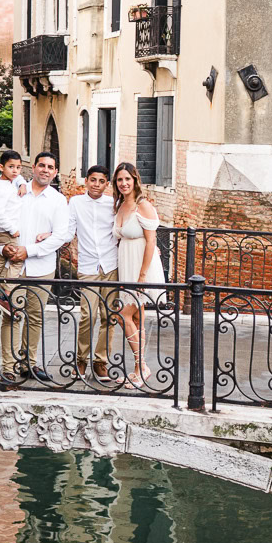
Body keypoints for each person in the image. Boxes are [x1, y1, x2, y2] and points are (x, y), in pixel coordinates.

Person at [0, 152, 70, 385]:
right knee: (12, 316)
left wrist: (29, 251)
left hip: (42, 266)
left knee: (35, 317)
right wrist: (1, 250)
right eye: (42, 165)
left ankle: (28, 363)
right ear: (34, 168)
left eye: (51, 167)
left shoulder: (58, 200)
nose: (46, 170)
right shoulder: (15, 193)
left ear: (55, 172)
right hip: (13, 267)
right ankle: (8, 368)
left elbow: (60, 236)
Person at [111, 162, 163, 387]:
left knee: (123, 315)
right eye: (120, 180)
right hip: (127, 265)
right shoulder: (119, 205)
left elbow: (152, 241)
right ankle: (138, 369)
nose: (123, 183)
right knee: (136, 319)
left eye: (127, 179)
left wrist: (142, 277)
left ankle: (141, 367)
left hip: (142, 268)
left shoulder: (143, 206)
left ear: (135, 180)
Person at [68, 165, 120, 380]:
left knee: (109, 316)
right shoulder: (76, 202)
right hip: (88, 265)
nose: (96, 185)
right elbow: (69, 230)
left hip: (111, 265)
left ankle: (101, 362)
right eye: (93, 180)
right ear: (86, 181)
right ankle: (81, 360)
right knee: (88, 315)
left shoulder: (113, 204)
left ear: (107, 184)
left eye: (101, 181)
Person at [0, 149, 26, 317]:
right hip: (4, 230)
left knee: (0, 261)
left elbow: (18, 177)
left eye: (18, 167)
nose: (15, 171)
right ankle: (6, 297)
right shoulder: (1, 188)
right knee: (17, 260)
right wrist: (13, 230)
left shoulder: (10, 181)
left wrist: (22, 182)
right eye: (11, 167)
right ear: (2, 167)